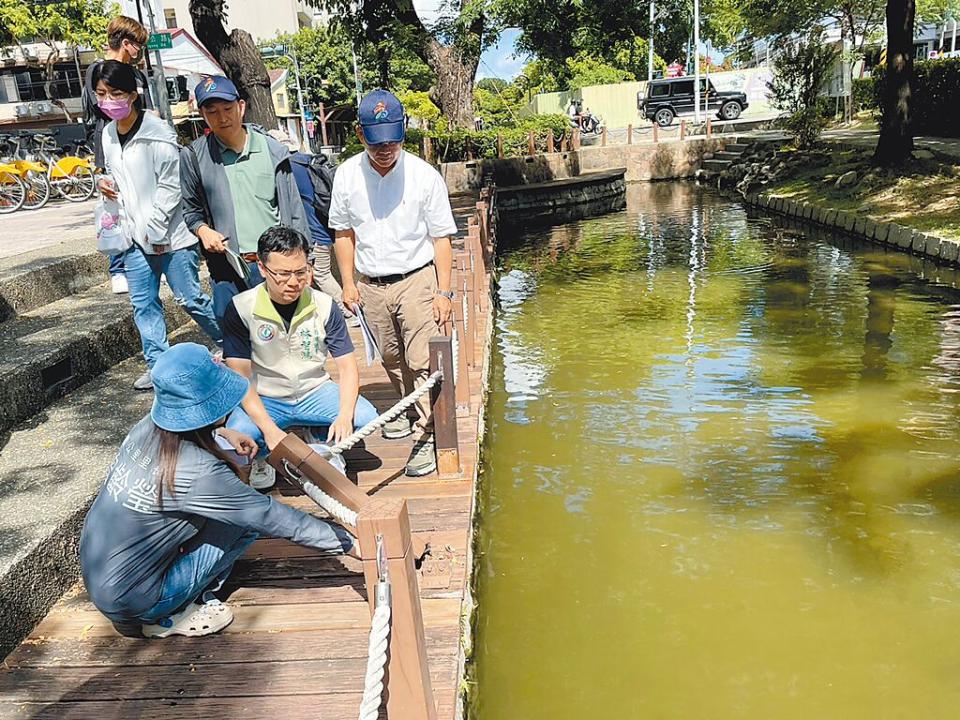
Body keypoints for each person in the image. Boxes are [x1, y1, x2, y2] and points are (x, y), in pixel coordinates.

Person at [79, 342, 356, 639]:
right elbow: (270, 516)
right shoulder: (198, 472)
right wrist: (350, 544)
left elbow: (187, 431)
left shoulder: (144, 429)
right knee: (242, 525)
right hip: (138, 601)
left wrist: (222, 432)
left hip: (102, 577)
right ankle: (172, 612)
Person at [329, 90, 459, 477]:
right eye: (376, 141)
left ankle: (426, 434)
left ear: (403, 132)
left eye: (393, 140)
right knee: (389, 356)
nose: (385, 149)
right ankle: (404, 405)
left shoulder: (424, 176)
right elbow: (343, 233)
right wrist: (348, 283)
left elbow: (441, 239)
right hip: (370, 283)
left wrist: (444, 291)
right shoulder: (347, 175)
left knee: (421, 361)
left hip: (416, 279)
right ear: (360, 134)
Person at [96, 61, 222, 391]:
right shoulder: (108, 134)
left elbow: (171, 186)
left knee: (189, 298)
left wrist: (156, 229)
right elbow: (118, 176)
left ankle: (230, 342)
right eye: (101, 94)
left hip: (173, 238)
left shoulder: (158, 133)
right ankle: (157, 364)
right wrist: (106, 183)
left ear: (133, 95)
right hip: (135, 238)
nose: (109, 100)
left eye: (115, 93)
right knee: (144, 304)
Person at [222, 226, 378, 489]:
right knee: (238, 435)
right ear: (261, 268)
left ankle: (318, 436)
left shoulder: (325, 304)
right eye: (282, 274)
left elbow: (348, 366)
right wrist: (270, 431)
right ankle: (263, 456)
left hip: (314, 390)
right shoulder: (240, 308)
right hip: (267, 396)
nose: (293, 282)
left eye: (300, 272)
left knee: (364, 418)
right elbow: (240, 379)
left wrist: (343, 415)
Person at [180, 76, 311, 324]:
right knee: (237, 344)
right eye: (212, 111)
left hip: (275, 265)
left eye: (228, 109)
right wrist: (203, 230)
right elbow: (191, 211)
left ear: (241, 106)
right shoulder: (194, 157)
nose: (222, 118)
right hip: (228, 268)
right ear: (202, 114)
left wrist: (305, 261)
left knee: (283, 336)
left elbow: (294, 210)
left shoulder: (273, 150)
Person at [82, 15, 152, 295]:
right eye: (138, 46)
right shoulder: (97, 70)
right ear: (126, 43)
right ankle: (118, 267)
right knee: (115, 209)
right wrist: (99, 163)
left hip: (140, 147)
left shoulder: (137, 76)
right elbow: (96, 116)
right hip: (110, 149)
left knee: (142, 202)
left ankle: (145, 258)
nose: (139, 53)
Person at [266, 129, 350, 320]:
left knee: (320, 273)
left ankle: (347, 310)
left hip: (314, 233)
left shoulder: (289, 167)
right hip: (329, 226)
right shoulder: (308, 159)